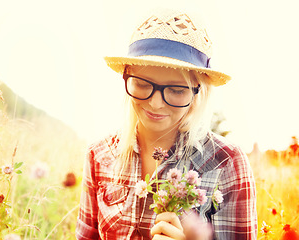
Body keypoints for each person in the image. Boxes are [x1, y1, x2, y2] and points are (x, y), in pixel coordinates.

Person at [76, 8, 257, 240]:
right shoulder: (99, 155)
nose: (156, 103)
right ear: (126, 77)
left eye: (175, 90)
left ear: (197, 92)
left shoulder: (226, 163)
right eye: (142, 84)